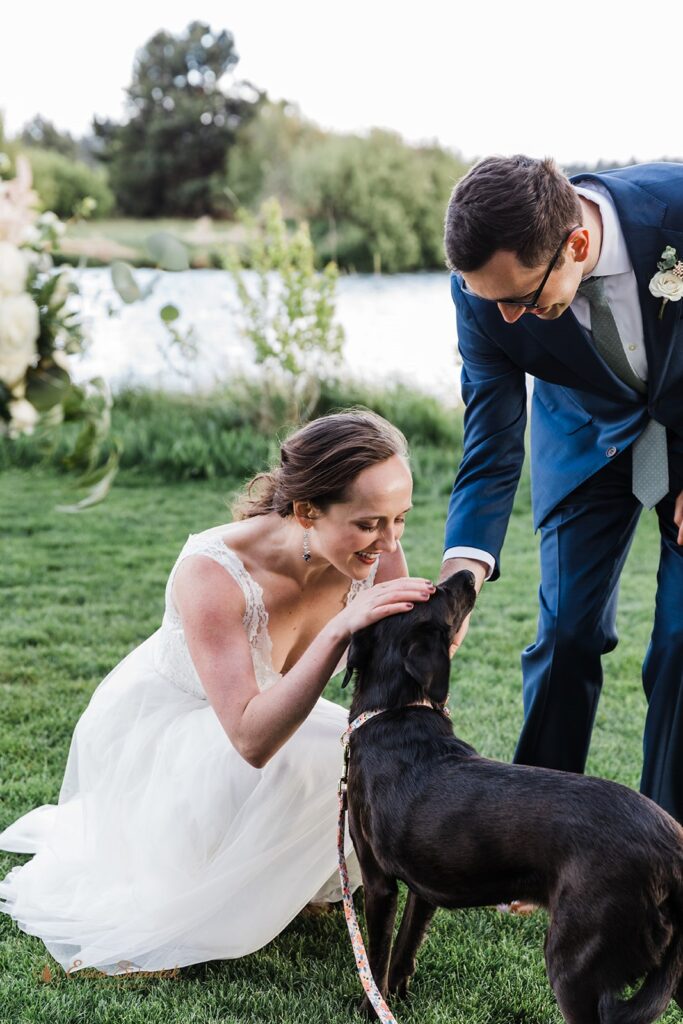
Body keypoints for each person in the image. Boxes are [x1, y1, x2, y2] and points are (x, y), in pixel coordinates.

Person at [0, 409, 435, 975]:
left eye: (400, 519)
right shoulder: (213, 572)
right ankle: (178, 885)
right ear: (306, 510)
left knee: (363, 747)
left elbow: (406, 662)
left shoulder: (373, 552)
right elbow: (251, 739)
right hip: (178, 735)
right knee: (298, 757)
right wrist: (338, 630)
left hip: (272, 714)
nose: (389, 541)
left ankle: (292, 882)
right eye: (371, 522)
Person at [439, 155, 683, 824]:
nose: (508, 317)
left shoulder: (677, 205)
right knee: (567, 632)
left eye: (520, 296)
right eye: (491, 299)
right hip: (583, 435)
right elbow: (489, 439)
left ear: (576, 243)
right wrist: (461, 576)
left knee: (680, 638)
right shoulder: (482, 296)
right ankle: (539, 832)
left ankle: (671, 838)